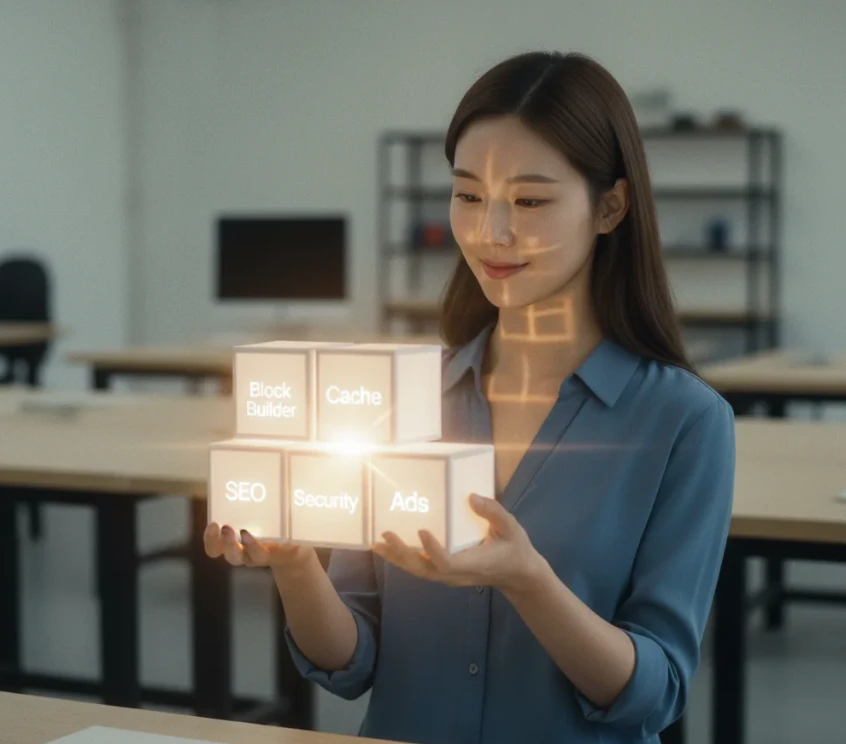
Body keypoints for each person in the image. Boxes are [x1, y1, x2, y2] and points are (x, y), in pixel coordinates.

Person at [204, 50, 736, 744]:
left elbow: (653, 693)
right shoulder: (399, 398)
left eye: (531, 200)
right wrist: (293, 560)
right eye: (468, 194)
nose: (492, 231)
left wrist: (528, 580)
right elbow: (350, 660)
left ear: (611, 206)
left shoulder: (687, 423)